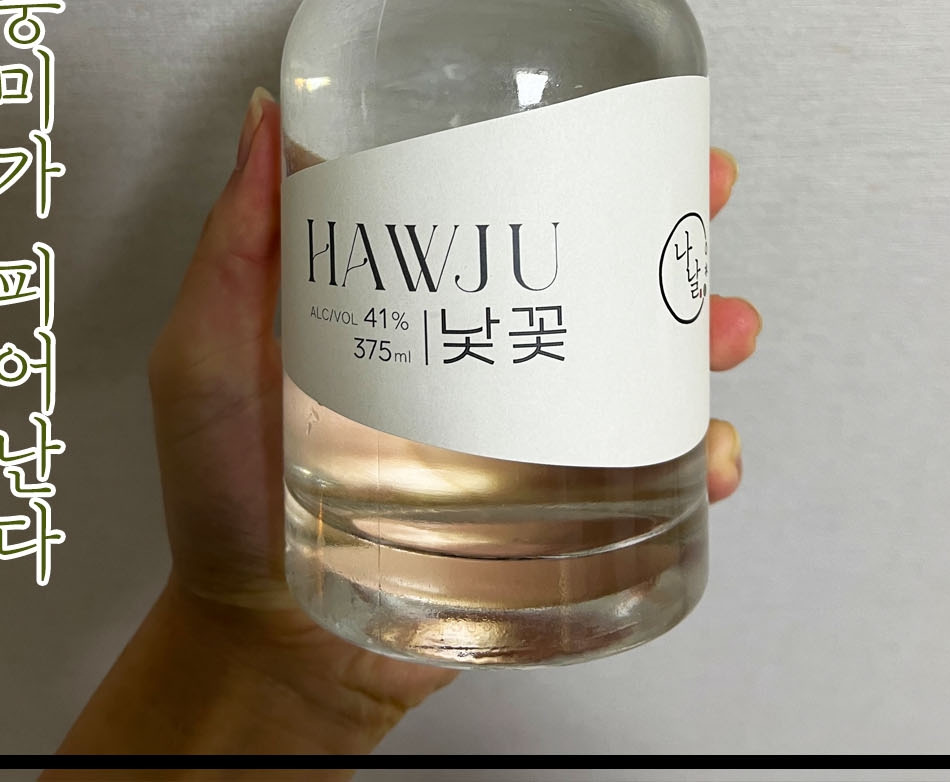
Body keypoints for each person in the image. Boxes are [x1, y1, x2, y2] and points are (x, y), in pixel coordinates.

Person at [39, 87, 760, 775]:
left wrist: (266, 665)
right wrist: (255, 641)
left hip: (584, 552)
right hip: (352, 561)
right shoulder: (356, 24)